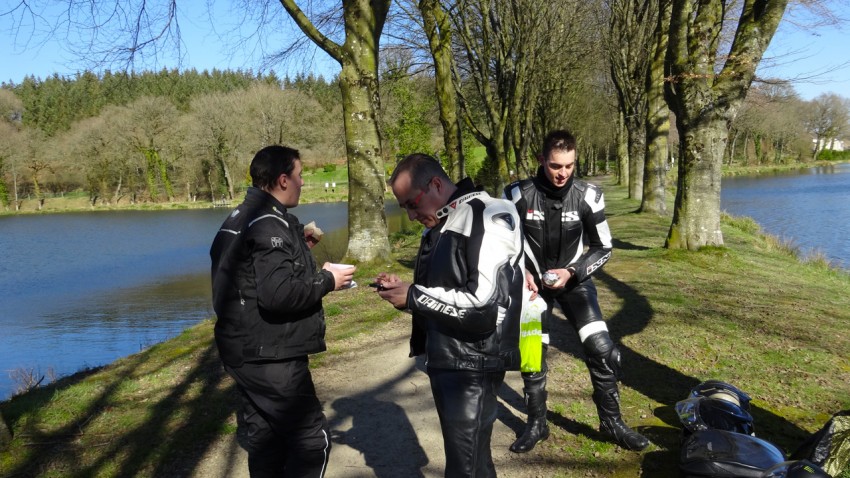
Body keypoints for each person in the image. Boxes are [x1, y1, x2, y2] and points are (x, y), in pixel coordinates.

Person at [374, 153, 524, 478]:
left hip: (473, 365)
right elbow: (442, 288)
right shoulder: (442, 221)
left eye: (412, 204)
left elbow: (484, 306)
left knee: (463, 468)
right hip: (445, 360)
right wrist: (406, 290)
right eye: (404, 208)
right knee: (473, 463)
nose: (412, 216)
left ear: (436, 184)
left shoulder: (487, 213)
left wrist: (414, 296)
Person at [210, 145, 356, 477]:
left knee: (267, 440)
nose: (303, 182)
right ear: (282, 179)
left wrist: (298, 247)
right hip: (270, 354)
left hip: (242, 348)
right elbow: (278, 294)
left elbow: (246, 273)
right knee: (311, 442)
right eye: (300, 175)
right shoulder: (266, 225)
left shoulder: (242, 215)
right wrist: (327, 280)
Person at [502, 130, 650, 453]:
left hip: (575, 283)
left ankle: (612, 423)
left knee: (602, 349)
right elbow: (501, 243)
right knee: (532, 352)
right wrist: (522, 270)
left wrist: (573, 271)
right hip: (533, 286)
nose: (563, 173)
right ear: (541, 160)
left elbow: (603, 247)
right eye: (556, 165)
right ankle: (537, 424)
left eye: (569, 165)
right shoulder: (516, 195)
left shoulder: (588, 196)